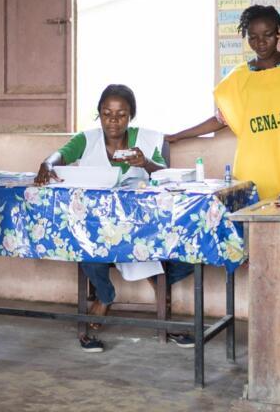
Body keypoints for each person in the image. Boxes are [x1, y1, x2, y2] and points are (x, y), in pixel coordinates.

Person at [34, 84, 193, 351]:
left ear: (131, 116)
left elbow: (165, 174)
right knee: (83, 244)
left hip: (142, 229)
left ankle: (157, 281)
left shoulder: (147, 140)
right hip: (98, 228)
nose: (114, 120)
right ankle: (106, 295)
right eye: (107, 113)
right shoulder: (87, 139)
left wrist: (145, 164)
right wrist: (47, 164)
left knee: (189, 255)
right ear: (99, 114)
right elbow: (59, 154)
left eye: (121, 114)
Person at [165, 5, 280, 201]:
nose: (261, 43)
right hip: (259, 170)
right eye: (253, 37)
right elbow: (221, 119)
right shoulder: (238, 78)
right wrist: (178, 136)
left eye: (268, 35)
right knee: (258, 224)